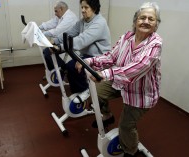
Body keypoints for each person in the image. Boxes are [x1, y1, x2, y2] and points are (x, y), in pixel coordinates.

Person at [76, 2, 162, 157]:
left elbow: (139, 67)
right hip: (121, 82)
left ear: (156, 25)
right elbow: (111, 57)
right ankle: (107, 115)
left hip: (141, 93)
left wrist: (106, 74)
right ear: (135, 21)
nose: (146, 21)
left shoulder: (155, 44)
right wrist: (90, 61)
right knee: (96, 91)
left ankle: (131, 152)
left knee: (126, 126)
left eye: (151, 19)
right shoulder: (126, 37)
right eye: (142, 17)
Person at [45, 0, 111, 103]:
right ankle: (77, 91)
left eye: (86, 7)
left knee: (72, 66)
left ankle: (85, 90)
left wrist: (60, 48)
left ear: (94, 8)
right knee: (66, 64)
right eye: (82, 7)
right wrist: (55, 41)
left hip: (99, 56)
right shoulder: (82, 21)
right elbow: (69, 33)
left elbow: (81, 40)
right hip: (86, 54)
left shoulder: (99, 23)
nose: (83, 10)